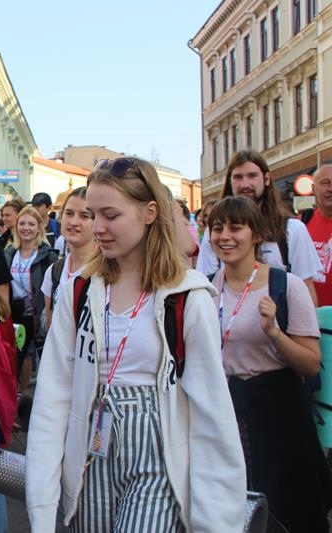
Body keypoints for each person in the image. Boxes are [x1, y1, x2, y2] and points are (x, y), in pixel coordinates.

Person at [25, 157, 245, 531]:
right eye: (93, 214)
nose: (98, 227)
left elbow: (212, 413)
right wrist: (42, 507)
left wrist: (217, 521)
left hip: (158, 460)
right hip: (90, 456)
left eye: (110, 215)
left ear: (149, 213)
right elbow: (54, 396)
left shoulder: (187, 298)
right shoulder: (79, 290)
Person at [208, 196, 332, 532]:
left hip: (280, 412)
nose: (225, 236)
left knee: (290, 509)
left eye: (236, 227)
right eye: (217, 228)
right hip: (230, 412)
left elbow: (310, 363)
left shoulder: (286, 285)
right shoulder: (206, 289)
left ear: (257, 235)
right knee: (238, 509)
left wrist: (274, 333)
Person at [196, 150, 322, 305]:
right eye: (238, 177)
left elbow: (306, 290)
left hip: (279, 319)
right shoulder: (216, 233)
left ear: (267, 179)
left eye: (252, 176)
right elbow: (206, 286)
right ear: (230, 181)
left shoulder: (292, 229)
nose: (245, 184)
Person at [4, 206, 58, 389]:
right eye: (22, 223)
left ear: (39, 227)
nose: (26, 228)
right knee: (18, 357)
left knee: (47, 361)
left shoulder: (48, 256)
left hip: (39, 313)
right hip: (16, 315)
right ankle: (21, 394)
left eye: (31, 224)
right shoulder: (9, 253)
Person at [41, 187, 93, 329]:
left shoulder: (108, 271)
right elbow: (51, 329)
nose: (74, 222)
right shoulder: (54, 271)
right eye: (69, 213)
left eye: (84, 216)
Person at [304, 164, 332, 306]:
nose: (331, 189)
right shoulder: (303, 223)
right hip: (309, 315)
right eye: (325, 183)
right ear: (313, 189)